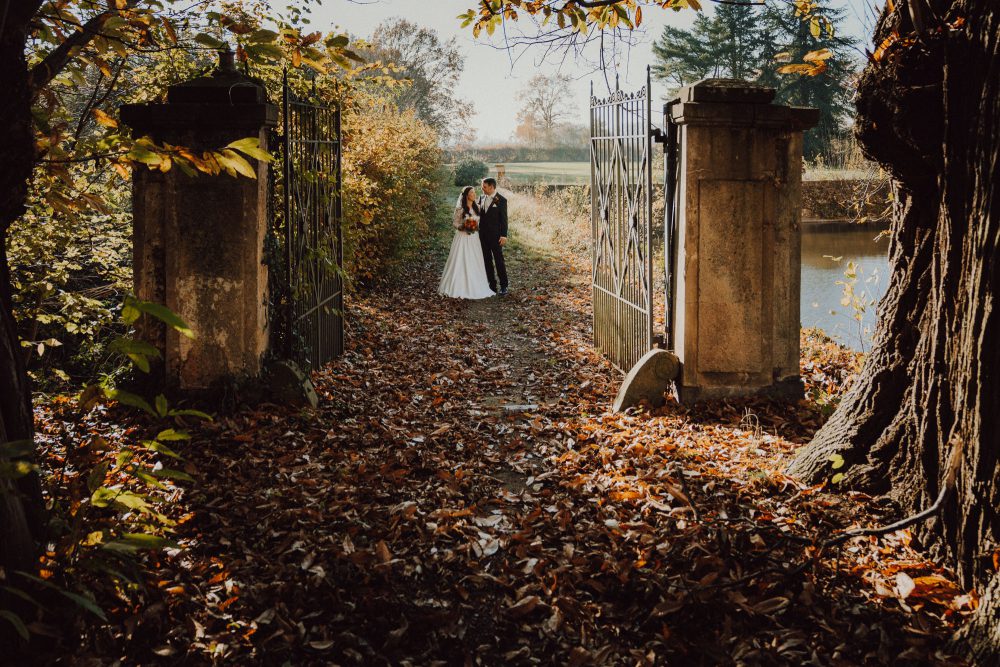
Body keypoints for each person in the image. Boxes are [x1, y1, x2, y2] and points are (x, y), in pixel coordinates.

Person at [438, 185, 496, 300]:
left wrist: (475, 227)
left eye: (475, 193)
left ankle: (476, 284)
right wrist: (463, 226)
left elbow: (481, 223)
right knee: (460, 259)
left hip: (474, 238)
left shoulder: (478, 207)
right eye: (472, 193)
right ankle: (457, 285)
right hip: (462, 237)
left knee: (474, 259)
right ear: (467, 195)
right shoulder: (460, 209)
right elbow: (455, 223)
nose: (474, 194)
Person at [478, 178, 509, 296]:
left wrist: (504, 235)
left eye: (484, 187)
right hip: (483, 235)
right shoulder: (481, 198)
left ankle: (504, 286)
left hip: (496, 236)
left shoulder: (501, 200)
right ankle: (492, 285)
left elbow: (504, 219)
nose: (482, 189)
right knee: (487, 261)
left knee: (499, 260)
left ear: (492, 187)